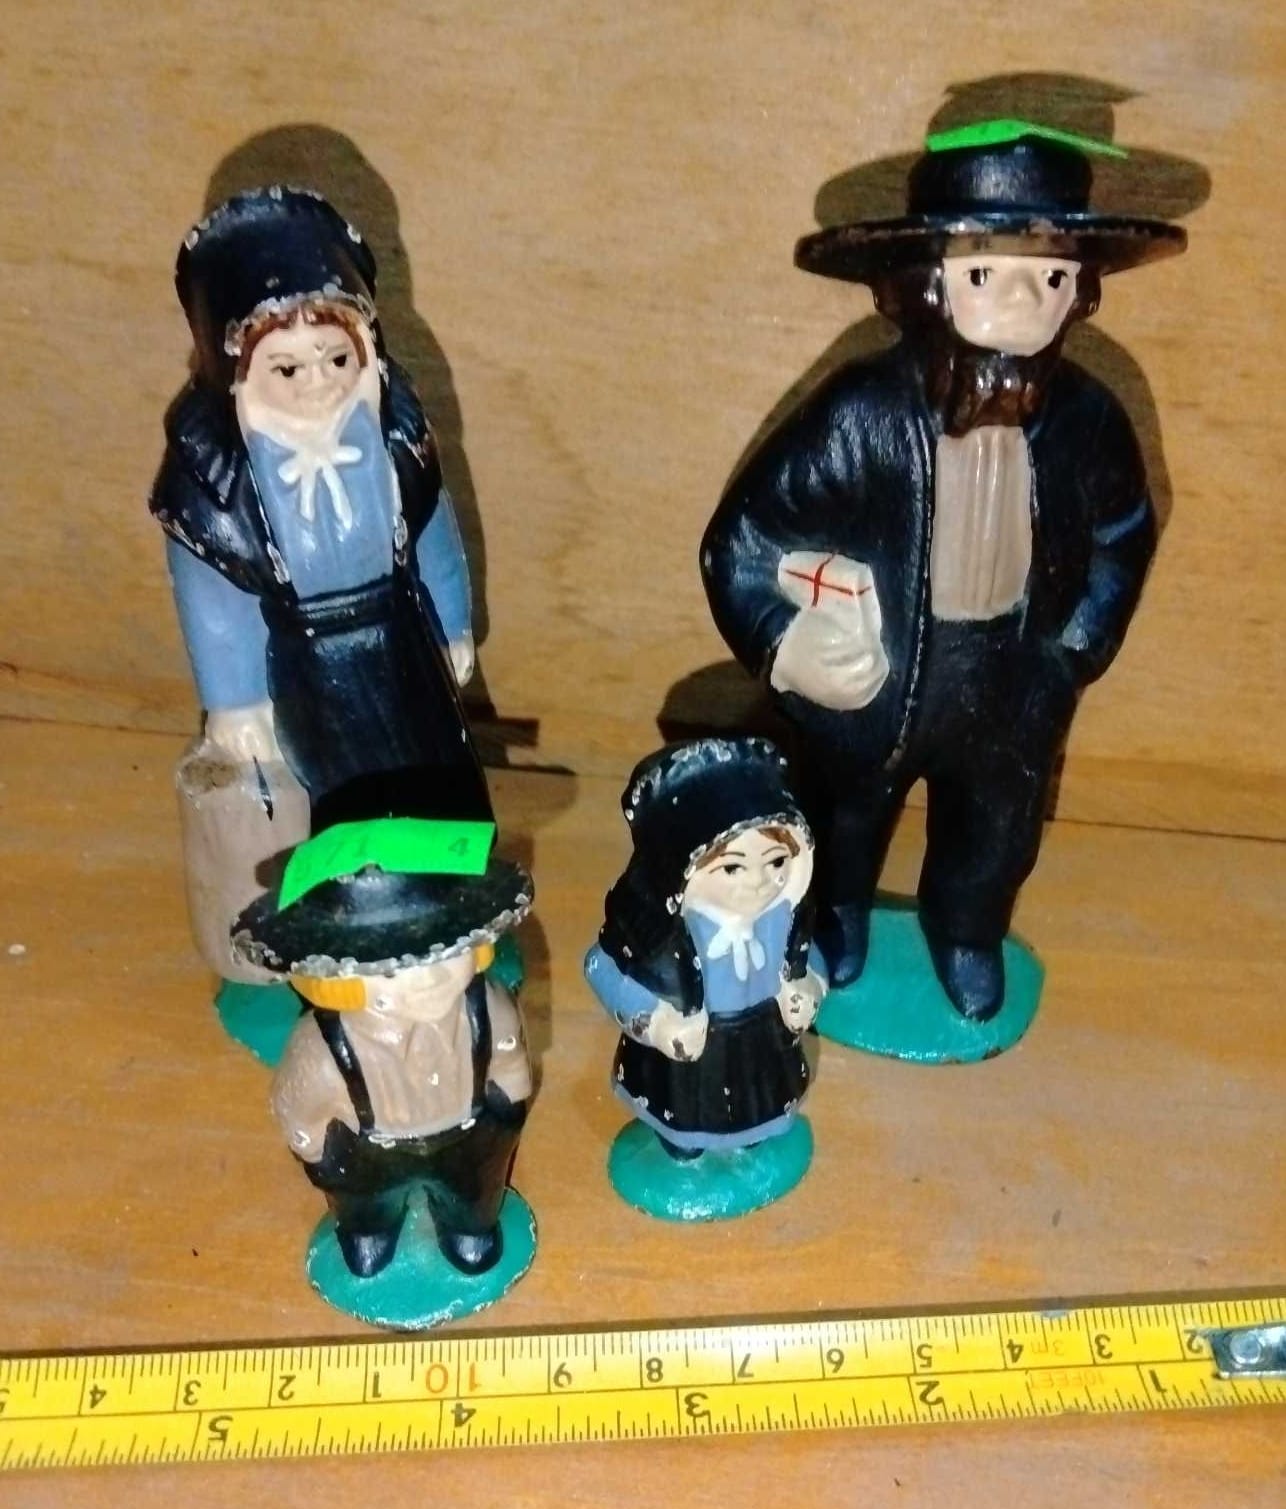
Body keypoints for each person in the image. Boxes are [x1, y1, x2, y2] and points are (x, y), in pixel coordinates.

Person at [701, 121, 1186, 1021]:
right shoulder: (862, 414)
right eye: (985, 274)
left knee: (994, 827)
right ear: (926, 283)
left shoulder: (1088, 420)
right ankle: (836, 915)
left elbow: (1125, 530)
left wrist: (1075, 648)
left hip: (1012, 671)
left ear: (1082, 290)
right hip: (879, 679)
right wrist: (785, 643)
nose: (1025, 300)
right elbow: (742, 540)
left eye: (1052, 276)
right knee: (847, 812)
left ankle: (966, 933)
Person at [152, 186, 489, 828]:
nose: (319, 383)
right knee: (324, 796)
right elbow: (214, 603)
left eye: (337, 358)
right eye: (287, 370)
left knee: (435, 779)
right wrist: (236, 699)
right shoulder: (213, 484)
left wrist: (450, 623)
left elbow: (435, 536)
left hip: (402, 642)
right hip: (300, 662)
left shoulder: (399, 444)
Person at [234, 820, 533, 1281]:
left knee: (474, 1197)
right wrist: (315, 1150)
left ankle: (469, 1229)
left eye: (445, 954)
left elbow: (509, 1061)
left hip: (468, 1137)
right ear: (340, 981)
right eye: (392, 972)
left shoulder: (487, 1009)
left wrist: (510, 1105)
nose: (430, 980)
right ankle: (368, 1232)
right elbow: (298, 1104)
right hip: (370, 1152)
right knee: (365, 1208)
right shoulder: (322, 1047)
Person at [585, 738, 824, 1164]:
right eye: (732, 867)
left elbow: (811, 954)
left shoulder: (785, 915)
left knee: (759, 1098)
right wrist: (656, 1023)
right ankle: (683, 1139)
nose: (758, 882)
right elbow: (601, 967)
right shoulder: (655, 931)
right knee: (687, 1109)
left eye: (775, 862)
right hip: (692, 1046)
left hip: (761, 1034)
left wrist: (809, 986)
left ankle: (754, 1130)